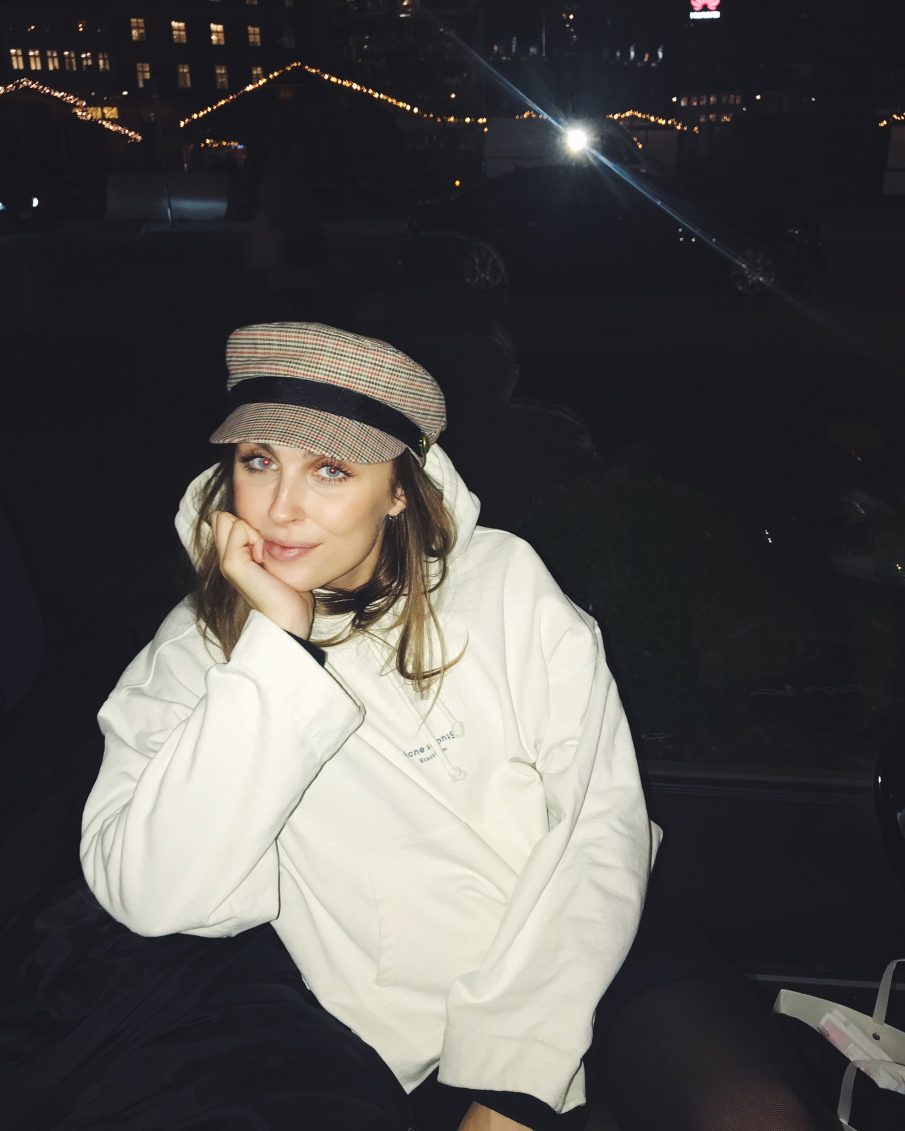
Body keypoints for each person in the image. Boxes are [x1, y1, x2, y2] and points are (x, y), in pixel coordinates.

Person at [76, 322, 834, 1131]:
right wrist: (274, 652)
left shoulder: (503, 584)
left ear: (400, 490)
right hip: (398, 1026)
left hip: (586, 941)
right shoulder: (198, 646)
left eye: (330, 469)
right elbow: (152, 893)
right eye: (259, 461)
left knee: (753, 1114)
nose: (281, 507)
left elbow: (598, 821)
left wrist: (513, 1082)